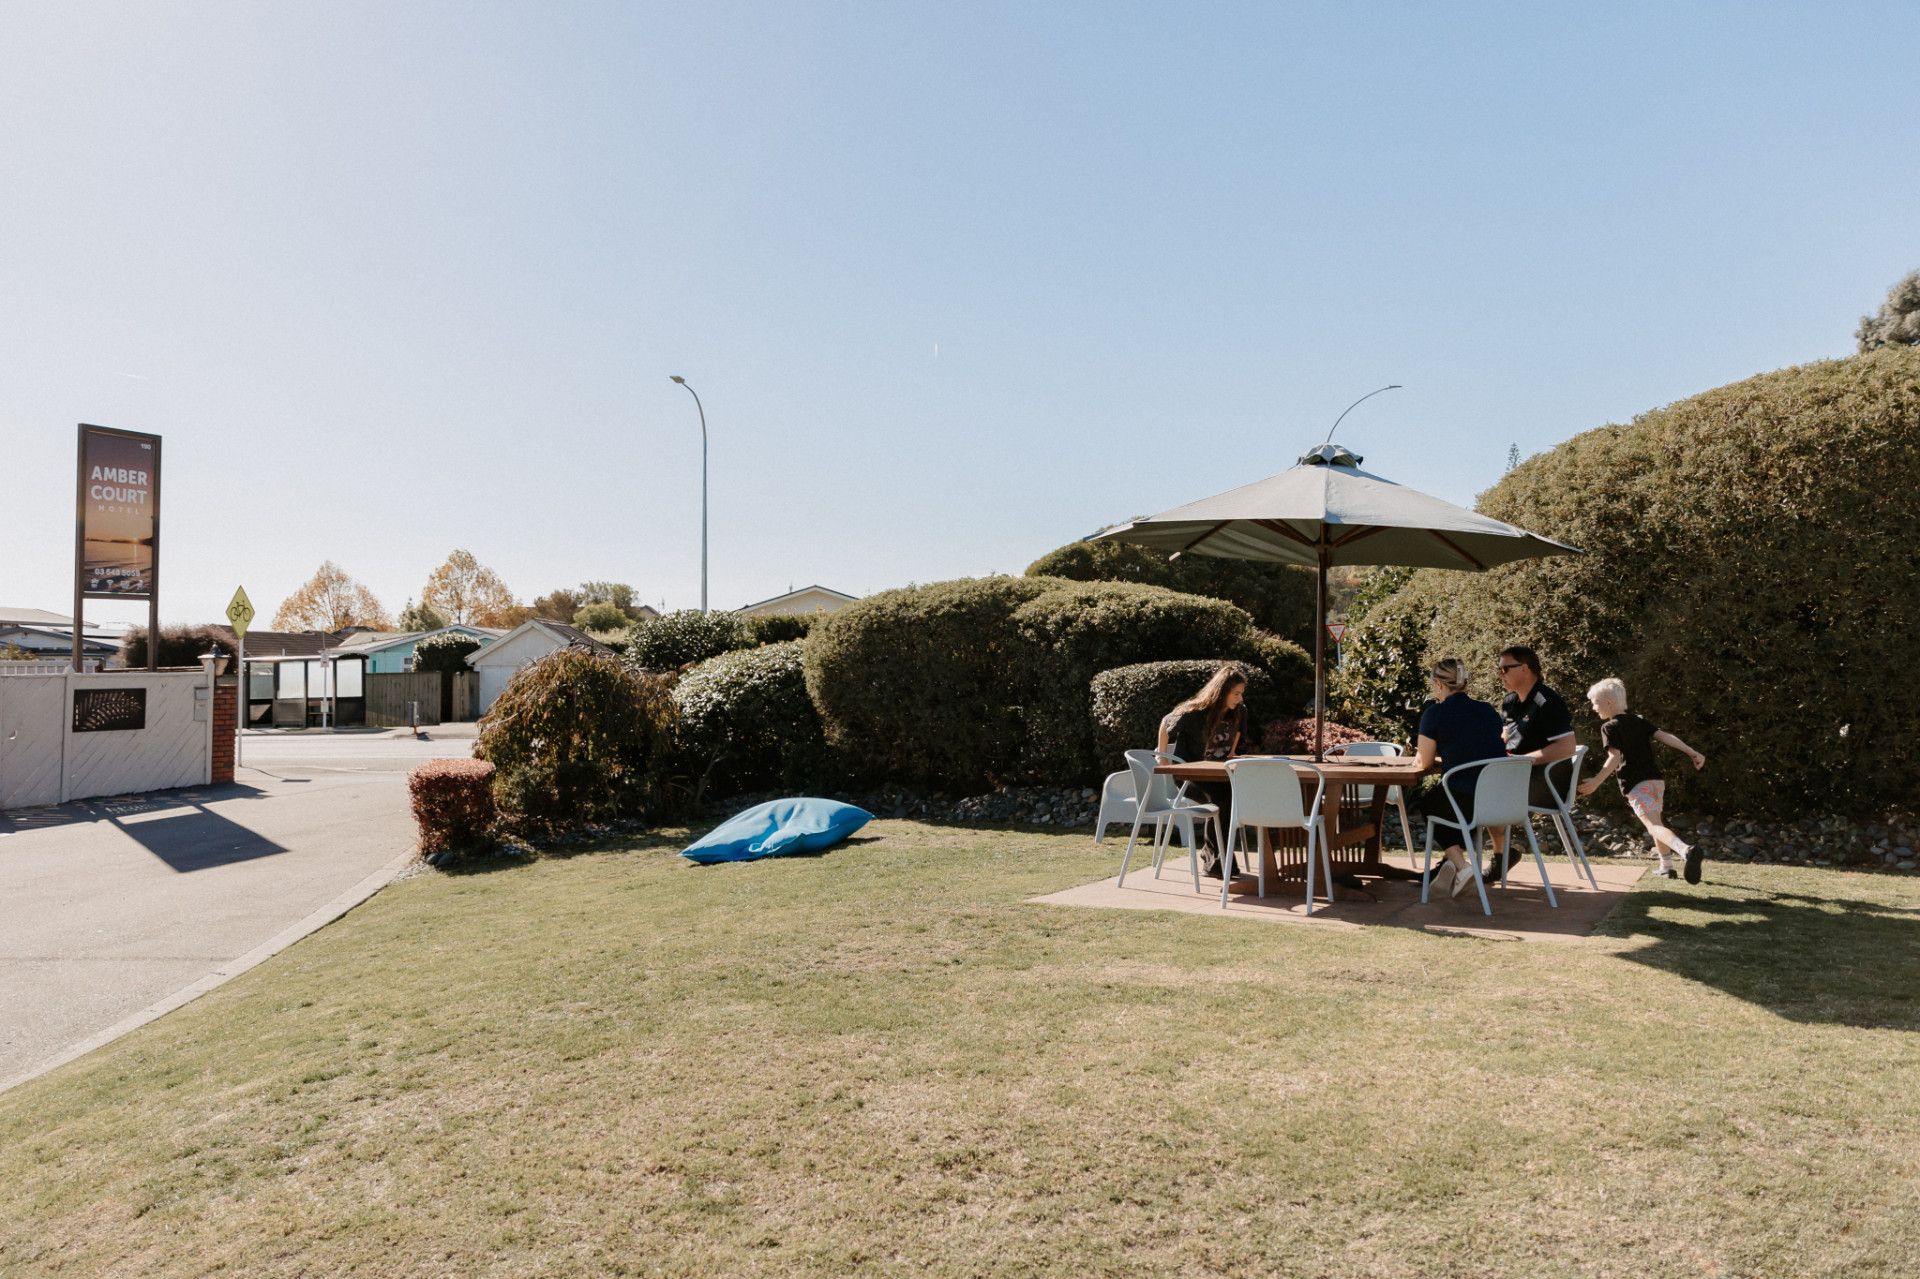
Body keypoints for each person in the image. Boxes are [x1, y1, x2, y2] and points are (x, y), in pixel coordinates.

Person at [1578, 677, 1708, 882]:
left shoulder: (1610, 727)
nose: (1594, 708)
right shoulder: (1638, 720)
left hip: (1637, 784)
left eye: (1595, 702)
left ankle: (1686, 850)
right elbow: (1665, 736)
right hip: (1656, 781)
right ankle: (1666, 866)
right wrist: (1692, 752)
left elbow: (1615, 757)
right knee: (1657, 822)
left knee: (1652, 825)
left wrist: (1596, 781)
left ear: (1608, 703)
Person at [1411, 658, 1509, 898]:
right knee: (1446, 802)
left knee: (1430, 803)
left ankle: (1462, 866)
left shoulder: (1435, 713)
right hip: (1497, 799)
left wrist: (1421, 756)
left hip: (1464, 798)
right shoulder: (1487, 710)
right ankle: (1451, 866)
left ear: (1438, 684)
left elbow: (1423, 761)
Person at [1491, 644, 1578, 879]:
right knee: (1472, 788)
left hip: (1547, 784)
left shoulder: (1547, 701)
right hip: (1516, 776)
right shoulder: (1509, 702)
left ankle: (1495, 858)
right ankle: (1497, 857)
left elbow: (1567, 747)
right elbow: (1505, 738)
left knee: (1481, 795)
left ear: (1525, 668)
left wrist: (1521, 761)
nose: (1501, 674)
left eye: (1505, 669)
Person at [1157, 666, 1248, 877]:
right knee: (1223, 797)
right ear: (1221, 691)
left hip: (1221, 776)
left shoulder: (1240, 711)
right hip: (1190, 777)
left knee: (1234, 793)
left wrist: (1232, 751)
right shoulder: (1195, 712)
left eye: (1241, 693)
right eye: (1236, 693)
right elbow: (1165, 723)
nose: (1240, 698)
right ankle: (1219, 863)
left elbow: (1238, 732)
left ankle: (1213, 856)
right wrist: (1163, 759)